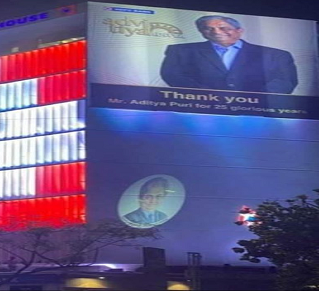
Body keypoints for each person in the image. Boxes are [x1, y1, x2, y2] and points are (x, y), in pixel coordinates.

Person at [160, 15, 298, 94]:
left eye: (224, 28)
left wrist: (254, 100)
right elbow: (173, 75)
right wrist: (209, 97)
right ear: (202, 32)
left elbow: (285, 81)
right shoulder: (180, 51)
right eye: (208, 28)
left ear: (239, 31)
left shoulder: (276, 55)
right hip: (200, 113)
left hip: (260, 115)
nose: (216, 32)